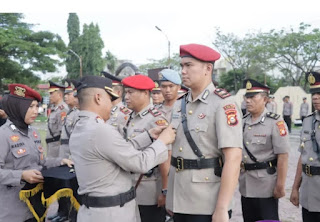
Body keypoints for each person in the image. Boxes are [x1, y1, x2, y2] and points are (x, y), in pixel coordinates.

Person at [69, 75, 175, 222]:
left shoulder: (82, 126)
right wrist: (162, 141)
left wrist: (148, 136)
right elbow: (140, 162)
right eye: (110, 99)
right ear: (98, 98)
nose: (113, 105)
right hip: (111, 213)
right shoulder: (100, 130)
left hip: (98, 210)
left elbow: (117, 151)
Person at [166, 43, 243, 222]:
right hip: (180, 198)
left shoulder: (223, 104)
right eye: (182, 66)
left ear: (208, 68)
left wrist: (222, 207)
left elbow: (233, 158)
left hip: (206, 201)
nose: (183, 71)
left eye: (189, 65)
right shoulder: (179, 104)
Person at [0, 84, 72, 222]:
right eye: (30, 106)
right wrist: (21, 175)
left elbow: (41, 162)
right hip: (13, 211)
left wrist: (60, 161)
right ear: (17, 107)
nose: (36, 111)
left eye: (36, 106)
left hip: (36, 207)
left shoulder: (33, 132)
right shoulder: (3, 135)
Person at [121, 74, 170, 222]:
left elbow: (164, 157)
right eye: (126, 92)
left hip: (149, 189)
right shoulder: (131, 116)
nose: (126, 96)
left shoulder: (156, 119)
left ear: (145, 93)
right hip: (130, 185)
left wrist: (165, 190)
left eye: (131, 92)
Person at [240, 79, 289, 222]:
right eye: (246, 97)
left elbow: (283, 156)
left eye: (252, 97)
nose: (248, 101)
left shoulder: (275, 122)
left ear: (265, 99)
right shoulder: (243, 122)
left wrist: (280, 185)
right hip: (246, 184)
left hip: (266, 185)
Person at [48, 79, 80, 222]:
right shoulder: (71, 112)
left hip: (70, 151)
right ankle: (63, 211)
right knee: (62, 182)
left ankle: (69, 213)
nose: (66, 96)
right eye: (65, 94)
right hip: (62, 149)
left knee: (70, 184)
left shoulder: (75, 113)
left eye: (69, 94)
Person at [290, 71, 320, 221]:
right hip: (308, 192)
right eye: (313, 93)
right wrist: (295, 188)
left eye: (319, 93)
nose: (315, 97)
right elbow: (303, 157)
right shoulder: (308, 121)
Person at [46, 81, 69, 157]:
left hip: (57, 148)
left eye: (51, 93)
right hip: (52, 146)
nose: (50, 96)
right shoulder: (55, 109)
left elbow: (63, 132)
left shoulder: (62, 110)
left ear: (59, 95)